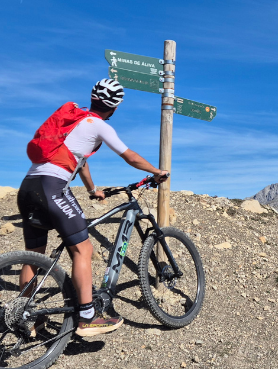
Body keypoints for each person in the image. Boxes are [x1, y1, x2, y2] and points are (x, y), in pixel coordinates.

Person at [18, 78, 168, 337]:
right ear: (115, 107)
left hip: (28, 188)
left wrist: (92, 190)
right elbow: (129, 156)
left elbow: (81, 162)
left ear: (92, 98)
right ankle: (88, 317)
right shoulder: (97, 125)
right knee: (83, 249)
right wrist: (157, 172)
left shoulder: (74, 121)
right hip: (52, 188)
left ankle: (24, 316)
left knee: (34, 255)